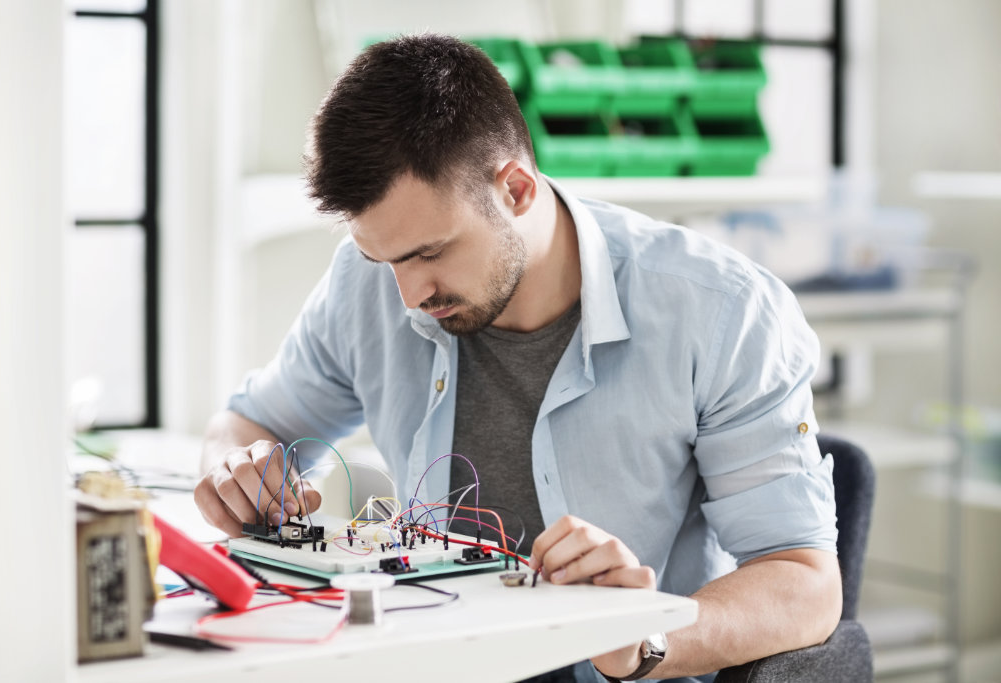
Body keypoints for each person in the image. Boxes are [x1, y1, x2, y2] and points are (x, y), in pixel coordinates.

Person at [194, 33, 841, 682]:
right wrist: (236, 469)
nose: (408, 295)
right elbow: (250, 422)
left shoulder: (722, 310)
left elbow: (805, 582)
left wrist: (641, 634)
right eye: (382, 259)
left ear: (517, 189)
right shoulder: (365, 287)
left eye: (428, 252)